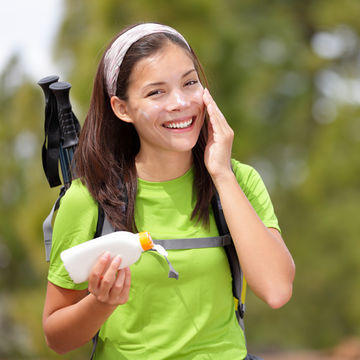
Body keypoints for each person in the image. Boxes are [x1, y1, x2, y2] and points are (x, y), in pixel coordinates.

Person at [42, 22, 295, 359]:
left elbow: (277, 290)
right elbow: (57, 336)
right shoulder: (88, 199)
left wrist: (220, 172)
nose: (180, 103)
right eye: (156, 92)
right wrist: (100, 305)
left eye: (190, 83)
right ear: (122, 108)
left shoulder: (238, 181)